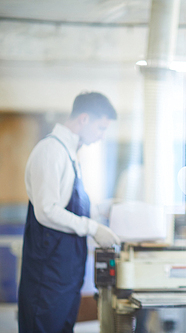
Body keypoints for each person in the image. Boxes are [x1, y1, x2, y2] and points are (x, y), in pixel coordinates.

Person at [18, 92, 121, 333]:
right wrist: (93, 228)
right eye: (101, 128)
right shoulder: (51, 151)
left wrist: (102, 208)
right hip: (47, 279)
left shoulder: (70, 154)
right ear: (84, 119)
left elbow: (70, 207)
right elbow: (47, 211)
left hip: (64, 278)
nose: (101, 136)